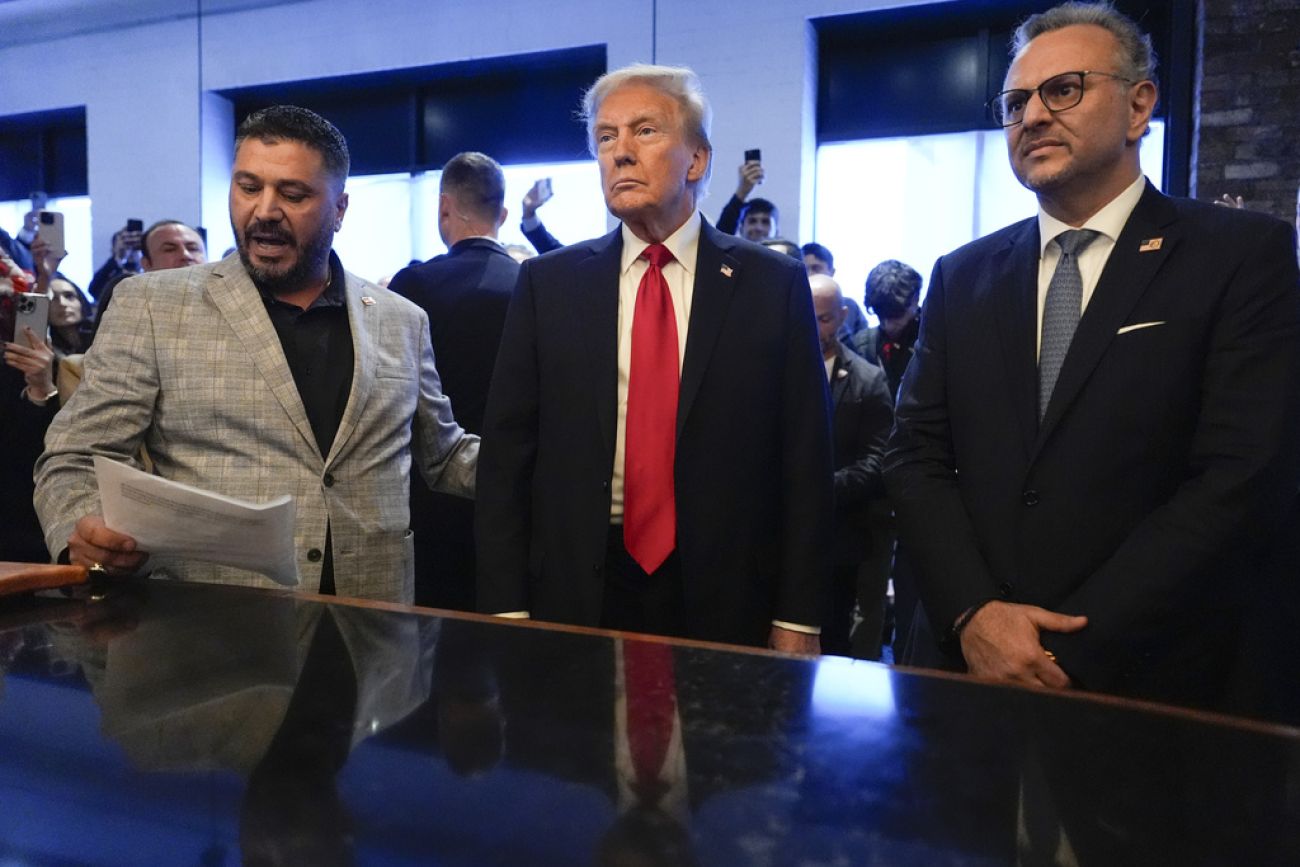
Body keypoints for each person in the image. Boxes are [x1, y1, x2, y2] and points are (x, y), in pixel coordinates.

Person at [884, 2, 1300, 710]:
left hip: (1158, 674)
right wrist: (975, 613)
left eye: (1064, 89)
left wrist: (1069, 644)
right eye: (1016, 102)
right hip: (970, 666)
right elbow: (915, 456)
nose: (1034, 116)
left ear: (1140, 105)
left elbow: (1240, 476)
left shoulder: (1238, 256)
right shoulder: (963, 274)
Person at [34, 105, 478, 603]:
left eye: (293, 194)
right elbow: (74, 456)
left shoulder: (402, 320)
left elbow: (446, 455)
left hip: (373, 624)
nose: (265, 211)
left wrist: (557, 464)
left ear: (340, 209)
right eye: (248, 187)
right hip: (209, 631)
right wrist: (84, 524)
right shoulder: (153, 305)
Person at [476, 64, 833, 652]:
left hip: (726, 592)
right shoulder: (549, 284)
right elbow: (507, 459)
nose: (619, 153)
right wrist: (505, 607)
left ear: (697, 160)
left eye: (644, 131)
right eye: (606, 137)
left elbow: (805, 460)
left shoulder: (771, 284)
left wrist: (799, 617)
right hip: (577, 590)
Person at [388, 151, 519, 609]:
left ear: (444, 208)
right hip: (514, 489)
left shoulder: (413, 287)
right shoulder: (534, 285)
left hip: (429, 497)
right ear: (503, 213)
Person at [808, 274, 893, 657]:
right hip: (778, 535)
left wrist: (819, 490)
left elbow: (878, 461)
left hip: (841, 535)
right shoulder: (774, 370)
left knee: (833, 640)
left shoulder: (868, 380)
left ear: (842, 317)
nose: (813, 326)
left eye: (823, 318)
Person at [94, 220, 208, 323]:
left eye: (193, 248)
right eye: (170, 249)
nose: (185, 255)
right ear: (147, 264)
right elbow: (95, 290)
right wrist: (117, 258)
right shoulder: (130, 301)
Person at [850, 259, 923, 400]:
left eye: (896, 315)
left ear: (916, 299)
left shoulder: (934, 341)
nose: (889, 325)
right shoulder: (862, 345)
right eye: (881, 315)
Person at [803, 242, 868, 340]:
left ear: (831, 272)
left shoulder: (851, 308)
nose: (810, 274)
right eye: (804, 270)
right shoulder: (792, 307)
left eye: (816, 268)